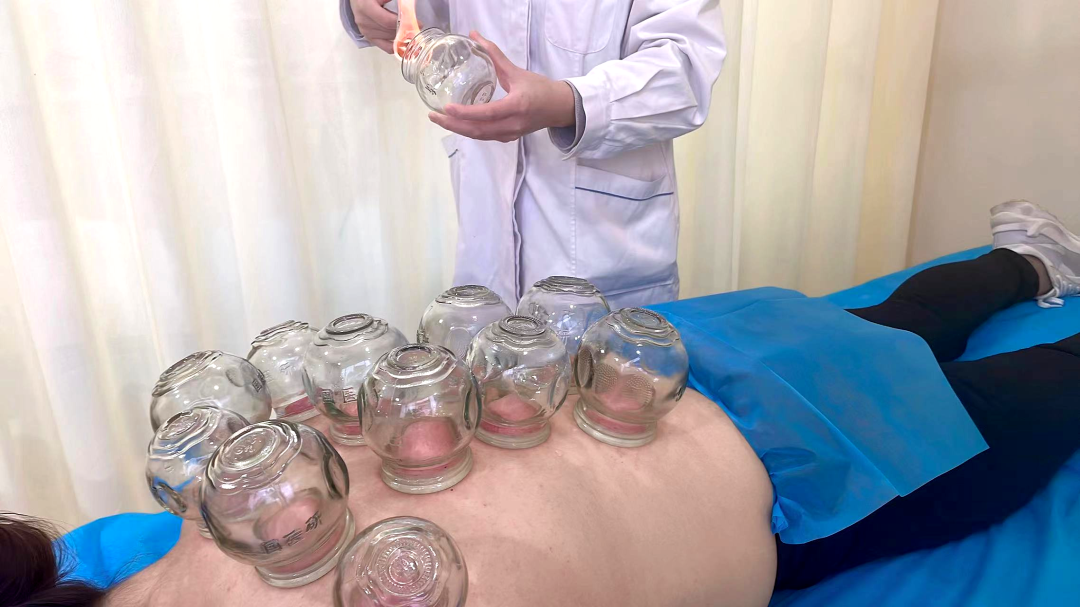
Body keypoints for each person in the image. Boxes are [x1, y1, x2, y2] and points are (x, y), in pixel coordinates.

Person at [7, 201, 1080, 605]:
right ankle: (1026, 260)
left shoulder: (169, 544)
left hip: (703, 406)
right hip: (736, 417)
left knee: (927, 344)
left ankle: (1028, 260)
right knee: (898, 330)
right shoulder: (158, 551)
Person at [341, 0, 727, 308]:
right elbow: (420, 15)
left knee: (605, 378)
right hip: (486, 235)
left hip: (603, 253)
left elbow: (686, 66)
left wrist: (566, 104)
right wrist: (372, 9)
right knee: (492, 366)